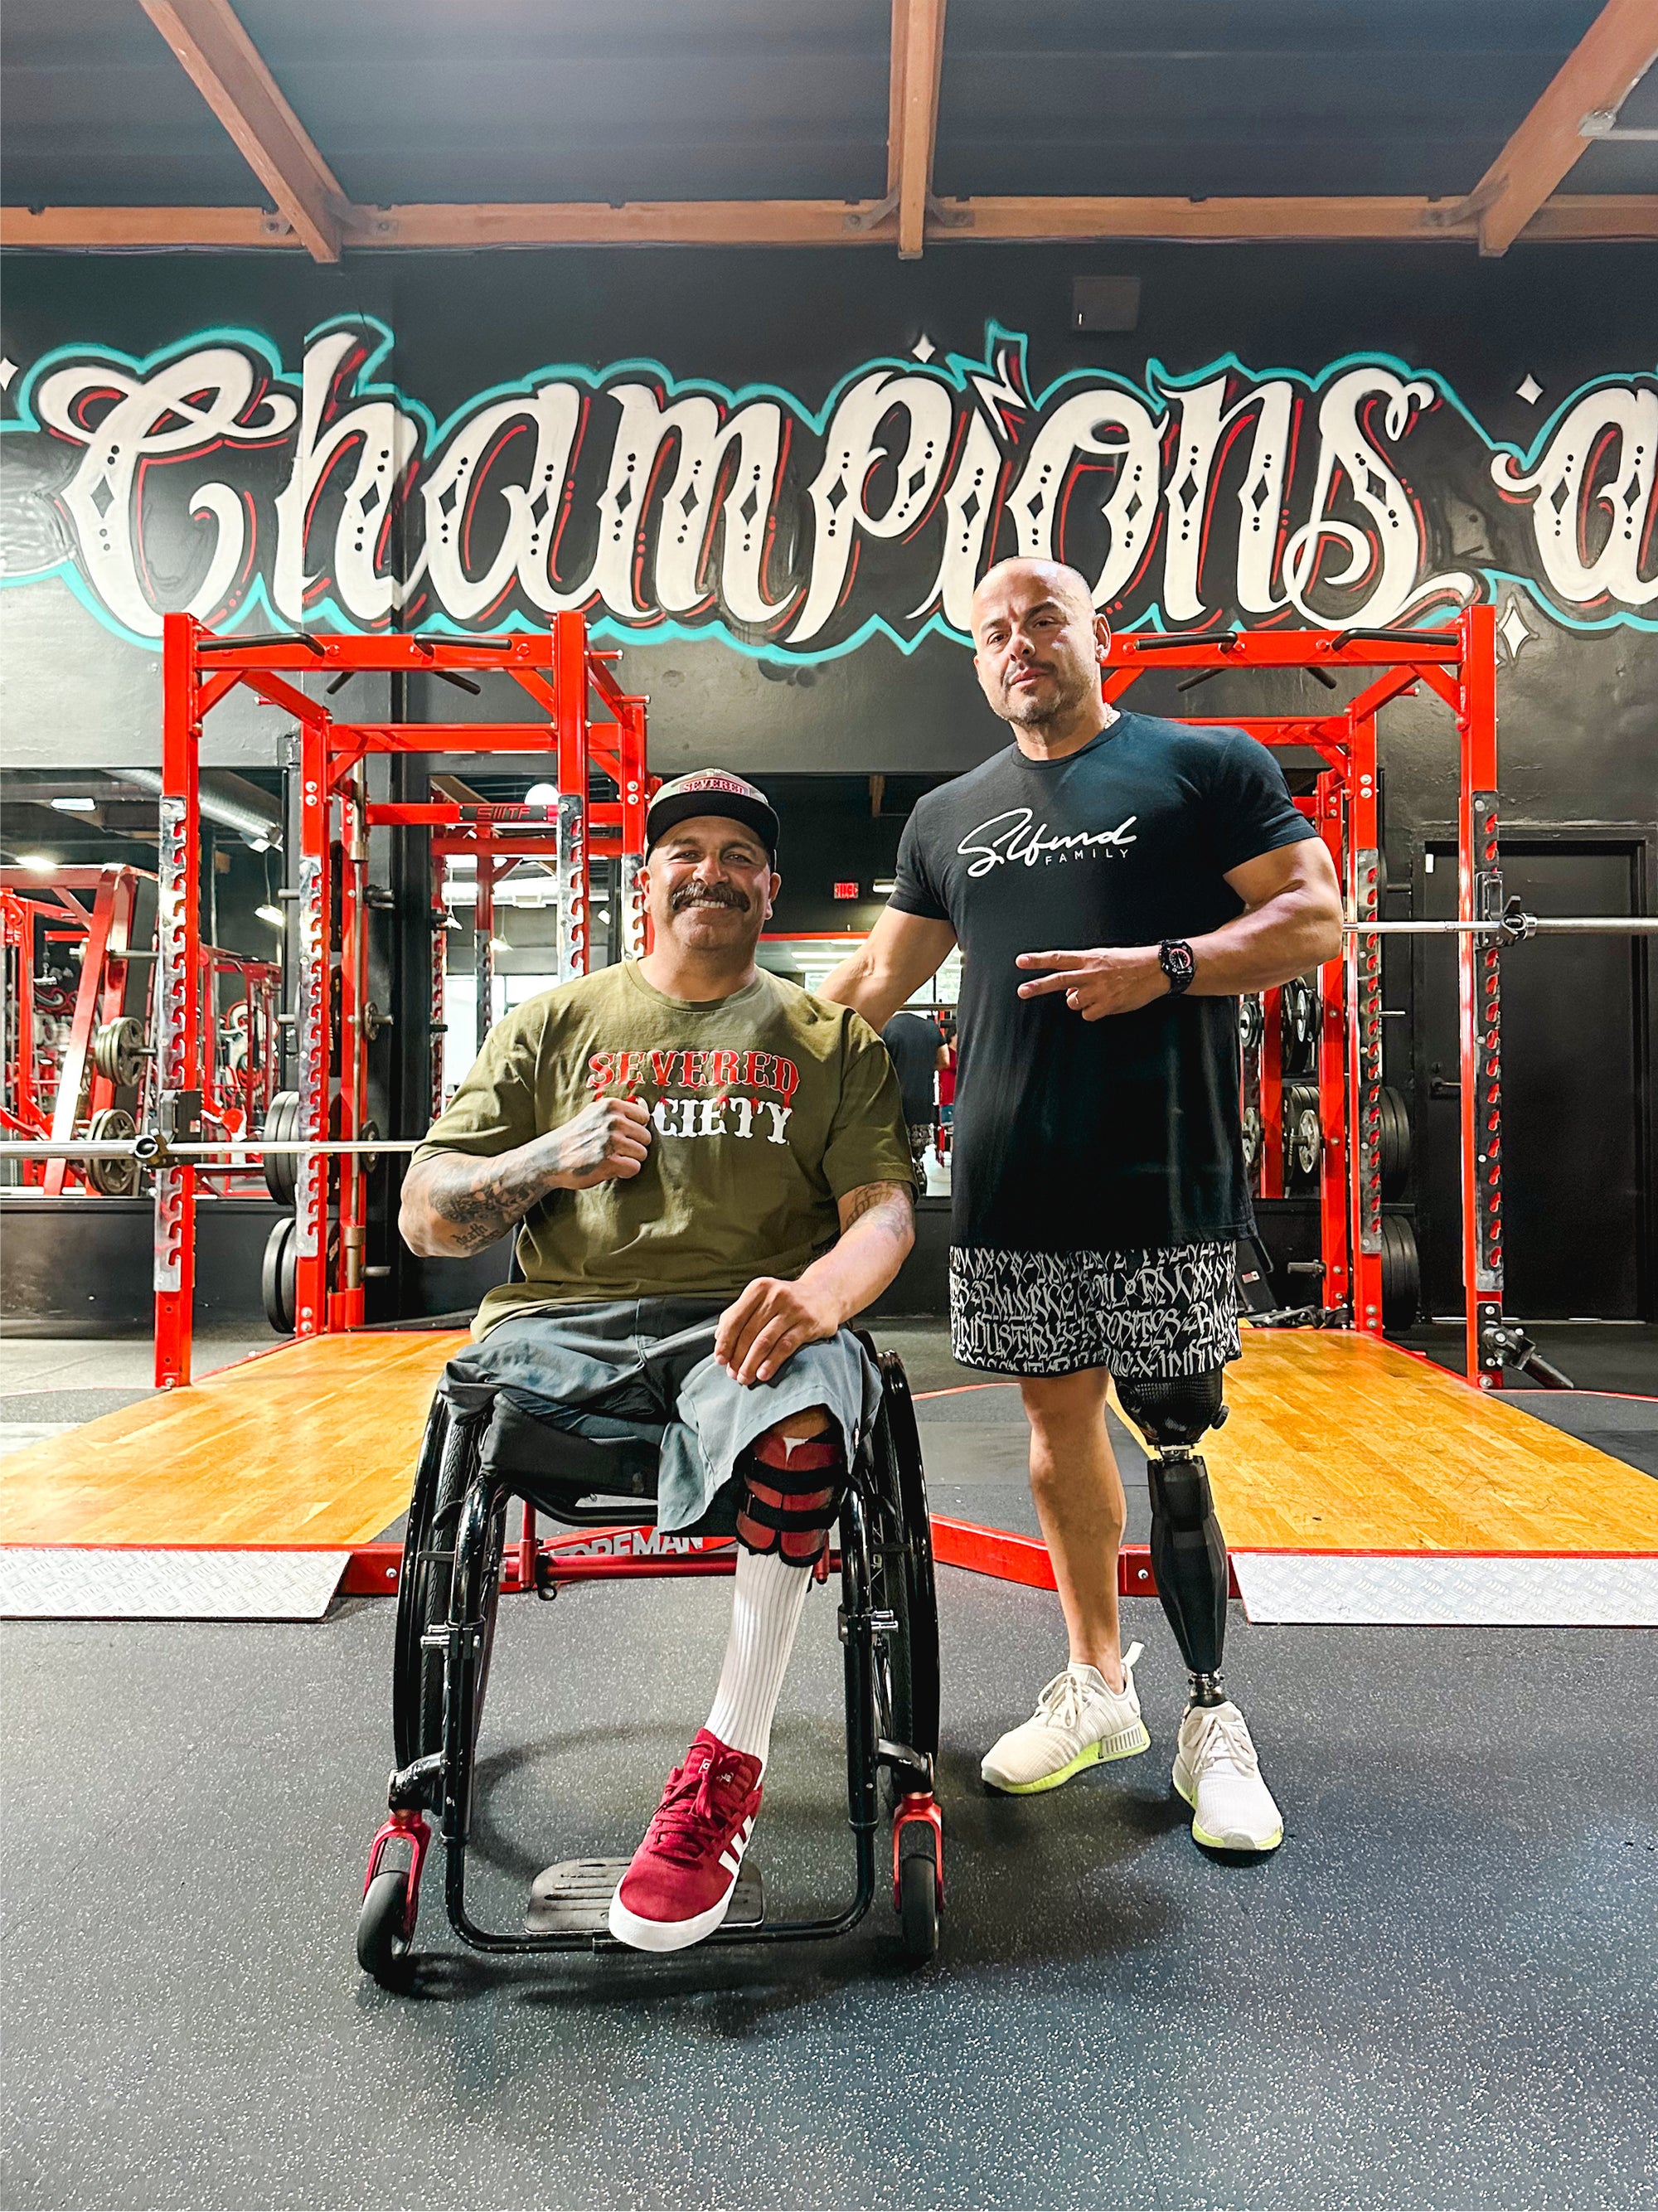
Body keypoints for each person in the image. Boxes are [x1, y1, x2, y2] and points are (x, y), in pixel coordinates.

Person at [821, 560, 1342, 1854]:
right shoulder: (947, 818)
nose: (1019, 645)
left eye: (1042, 619)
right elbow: (875, 982)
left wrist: (1167, 967)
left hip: (1159, 1170)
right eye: (993, 633)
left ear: (1095, 634)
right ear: (978, 663)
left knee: (1171, 1439)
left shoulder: (1201, 765)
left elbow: (1316, 918)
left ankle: (1211, 1718)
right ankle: (1101, 1684)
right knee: (1055, 1431)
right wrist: (708, 1042)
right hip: (1013, 1177)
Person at [399, 769, 915, 1949]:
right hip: (562, 1328)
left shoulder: (826, 1038)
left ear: (769, 889)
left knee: (810, 1409)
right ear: (646, 881)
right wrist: (545, 1159)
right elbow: (426, 1217)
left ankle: (727, 1758)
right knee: (471, 1418)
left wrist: (817, 1297)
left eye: (740, 854)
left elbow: (884, 1213)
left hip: (746, 1323)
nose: (713, 869)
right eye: (687, 849)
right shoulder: (553, 1026)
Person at [880, 1005, 944, 1196]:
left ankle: (899, 1187)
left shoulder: (887, 1028)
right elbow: (945, 1061)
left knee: (895, 1149)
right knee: (917, 1149)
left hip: (895, 1102)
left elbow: (879, 1066)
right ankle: (917, 1170)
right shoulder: (930, 1028)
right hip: (923, 1100)